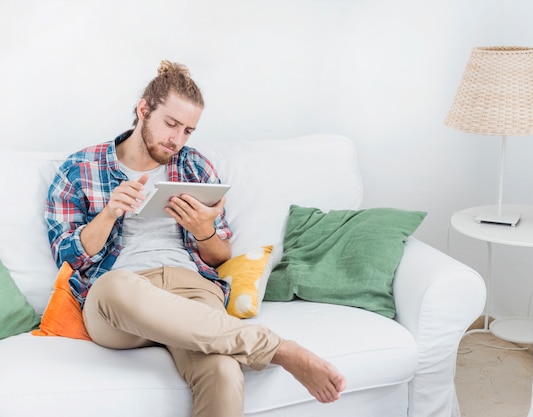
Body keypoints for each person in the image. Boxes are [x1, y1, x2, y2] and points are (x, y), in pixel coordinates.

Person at [45, 60, 346, 417]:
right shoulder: (80, 168)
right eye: (171, 124)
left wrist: (204, 229)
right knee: (113, 287)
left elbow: (220, 256)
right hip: (120, 301)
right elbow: (68, 257)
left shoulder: (195, 167)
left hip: (191, 290)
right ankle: (279, 349)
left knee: (222, 370)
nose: (177, 139)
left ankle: (255, 347)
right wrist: (109, 214)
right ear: (144, 110)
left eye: (188, 130)